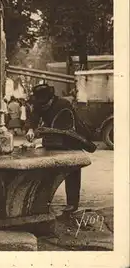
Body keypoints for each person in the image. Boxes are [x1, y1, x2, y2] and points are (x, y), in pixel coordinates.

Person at [25, 84, 92, 213]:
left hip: (72, 138)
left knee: (72, 170)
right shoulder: (41, 103)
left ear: (51, 99)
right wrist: (30, 129)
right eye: (40, 104)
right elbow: (34, 117)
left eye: (45, 104)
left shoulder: (63, 105)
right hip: (54, 139)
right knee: (49, 169)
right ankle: (44, 200)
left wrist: (41, 140)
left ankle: (72, 203)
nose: (42, 106)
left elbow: (62, 131)